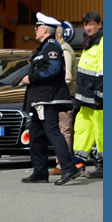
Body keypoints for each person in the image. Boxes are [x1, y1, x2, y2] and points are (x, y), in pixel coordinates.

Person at [19, 14, 80, 184]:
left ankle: (68, 168)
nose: (35, 31)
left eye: (37, 28)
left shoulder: (51, 46)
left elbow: (53, 69)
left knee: (53, 132)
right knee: (36, 135)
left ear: (45, 29)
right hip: (39, 99)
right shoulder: (43, 47)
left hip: (48, 99)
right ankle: (40, 171)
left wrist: (32, 77)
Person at [71, 11, 102, 179]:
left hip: (97, 98)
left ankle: (104, 166)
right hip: (85, 98)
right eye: (86, 24)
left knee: (101, 132)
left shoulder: (102, 42)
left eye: (92, 24)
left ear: (99, 24)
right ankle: (79, 162)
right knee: (82, 129)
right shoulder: (89, 42)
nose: (89, 27)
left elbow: (103, 71)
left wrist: (100, 95)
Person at [49, 22, 77, 171]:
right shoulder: (62, 48)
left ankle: (62, 164)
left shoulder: (64, 49)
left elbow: (67, 77)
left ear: (57, 35)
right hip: (64, 95)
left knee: (64, 130)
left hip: (65, 95)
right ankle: (64, 162)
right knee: (63, 129)